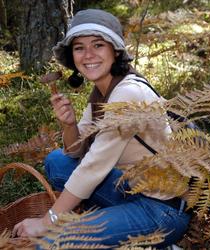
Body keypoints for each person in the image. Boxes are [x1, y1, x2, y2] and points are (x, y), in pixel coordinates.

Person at [12, 9, 191, 248]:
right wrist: (69, 125)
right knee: (57, 161)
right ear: (72, 56)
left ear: (115, 51)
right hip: (131, 189)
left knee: (50, 242)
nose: (88, 55)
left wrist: (48, 221)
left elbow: (93, 167)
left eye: (98, 45)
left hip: (161, 210)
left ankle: (154, 240)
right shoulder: (103, 90)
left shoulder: (127, 93)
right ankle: (111, 223)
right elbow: (74, 152)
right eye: (79, 47)